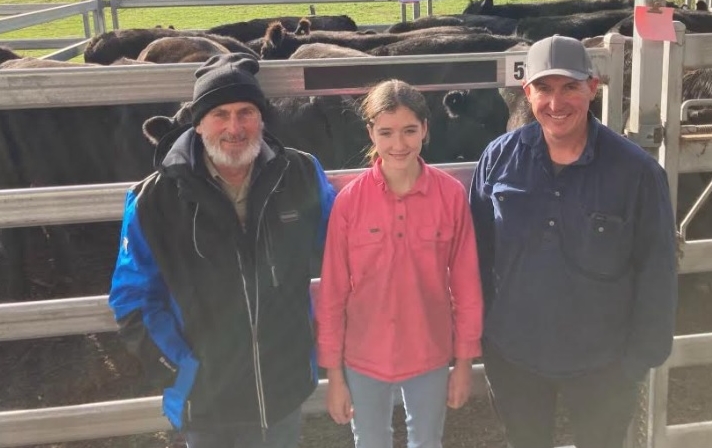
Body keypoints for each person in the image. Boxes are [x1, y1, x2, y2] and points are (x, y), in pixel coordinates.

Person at [108, 53, 336, 448]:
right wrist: (181, 368)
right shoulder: (155, 199)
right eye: (220, 114)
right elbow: (133, 298)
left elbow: (345, 249)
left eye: (246, 112)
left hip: (282, 385)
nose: (235, 127)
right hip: (208, 400)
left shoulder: (299, 174)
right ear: (198, 124)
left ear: (262, 118)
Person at [469, 35, 678, 448]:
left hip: (605, 360)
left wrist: (639, 359)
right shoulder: (498, 158)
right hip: (515, 353)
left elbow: (657, 267)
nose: (555, 102)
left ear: (593, 88)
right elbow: (475, 253)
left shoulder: (635, 171)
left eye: (570, 87)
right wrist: (484, 337)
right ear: (526, 92)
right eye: (543, 88)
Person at [316, 79, 483, 448]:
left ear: (425, 128)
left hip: (430, 351)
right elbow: (332, 293)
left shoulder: (450, 195)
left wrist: (464, 362)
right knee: (370, 441)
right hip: (364, 356)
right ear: (371, 132)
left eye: (409, 131)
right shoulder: (350, 202)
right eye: (386, 132)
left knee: (427, 441)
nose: (398, 144)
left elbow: (467, 284)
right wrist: (334, 374)